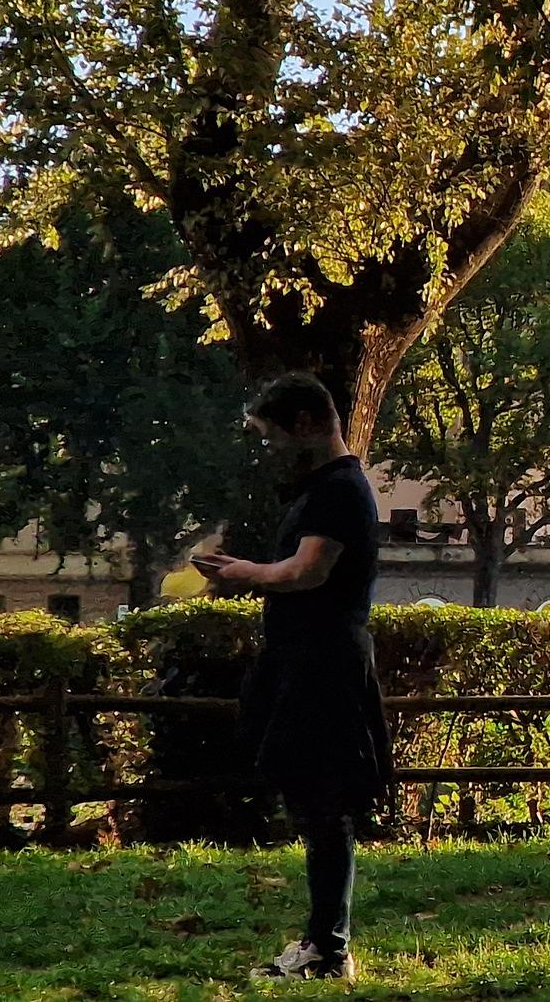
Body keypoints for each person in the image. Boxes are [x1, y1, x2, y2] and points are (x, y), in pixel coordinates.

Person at [197, 373, 390, 981]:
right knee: (312, 802)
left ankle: (328, 948)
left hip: (322, 667)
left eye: (269, 434)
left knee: (322, 803)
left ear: (305, 423)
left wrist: (243, 572)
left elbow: (308, 573)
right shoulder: (327, 488)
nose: (267, 447)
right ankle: (323, 941)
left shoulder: (337, 490)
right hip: (308, 661)